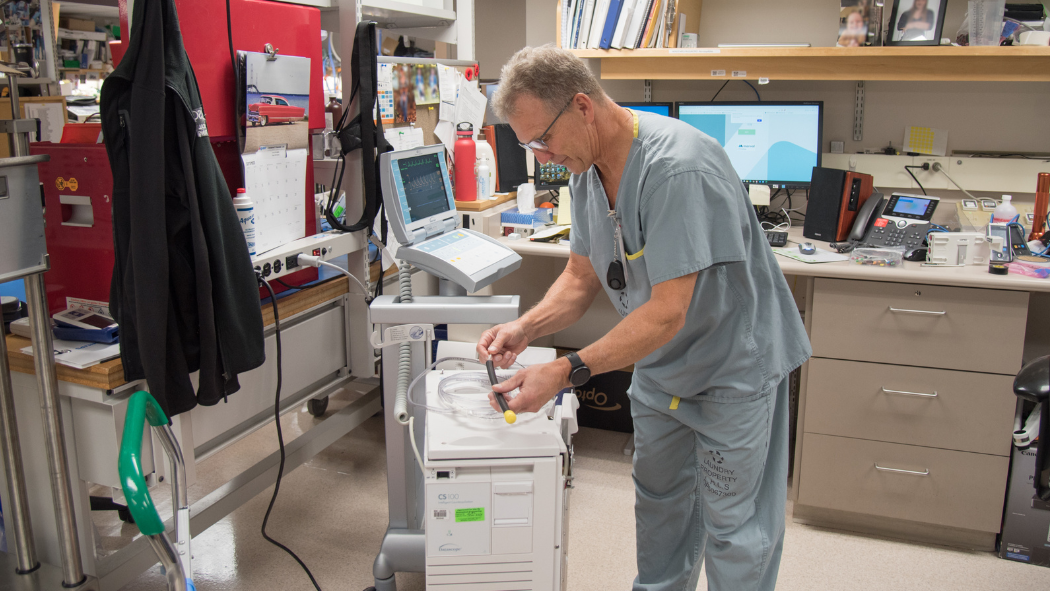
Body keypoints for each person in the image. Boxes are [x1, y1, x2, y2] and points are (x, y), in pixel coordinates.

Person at [478, 45, 811, 591]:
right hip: (660, 372)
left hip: (732, 370)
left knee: (735, 529)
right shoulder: (585, 169)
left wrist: (564, 372)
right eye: (527, 145)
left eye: (542, 140)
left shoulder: (677, 168)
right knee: (661, 516)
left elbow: (664, 314)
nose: (540, 157)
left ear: (583, 107)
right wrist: (527, 327)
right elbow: (581, 278)